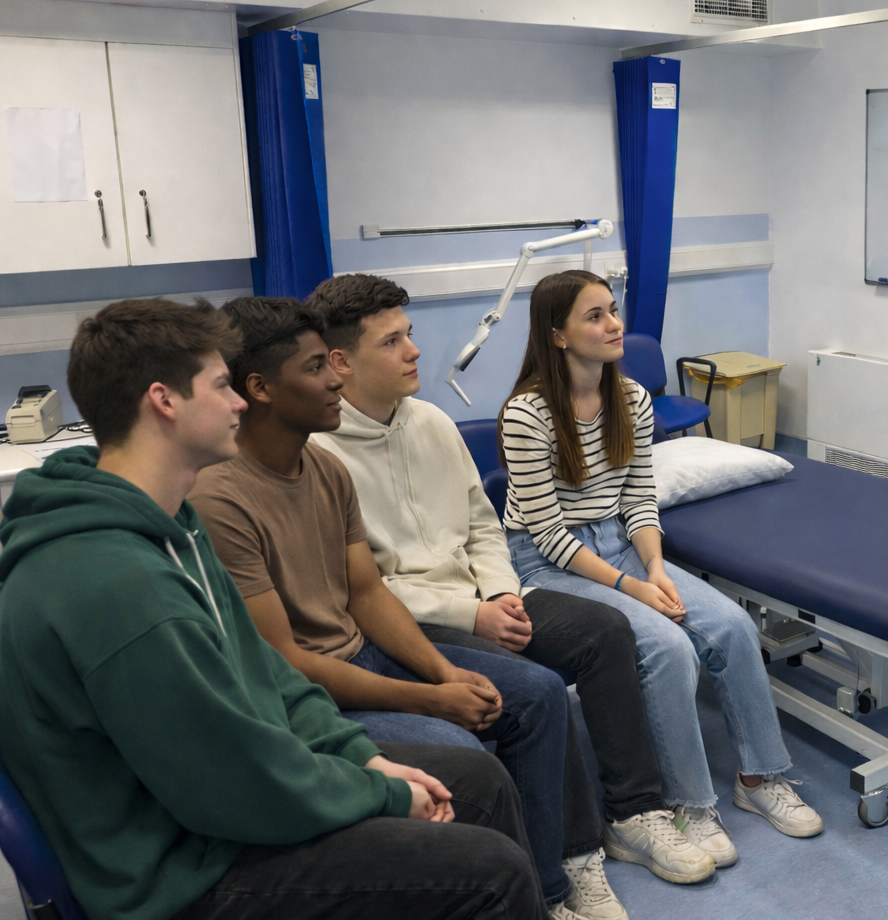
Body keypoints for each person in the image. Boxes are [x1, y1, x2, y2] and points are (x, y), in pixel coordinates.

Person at [0, 298, 544, 920]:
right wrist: (381, 794)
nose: (238, 403)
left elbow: (266, 672)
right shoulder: (115, 585)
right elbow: (227, 783)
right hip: (174, 871)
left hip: (218, 805)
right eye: (221, 386)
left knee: (479, 784)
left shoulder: (170, 523)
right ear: (164, 401)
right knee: (491, 875)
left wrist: (362, 756)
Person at [305, 272, 716, 904]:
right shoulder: (322, 454)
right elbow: (363, 588)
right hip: (415, 619)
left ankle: (634, 815)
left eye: (409, 335)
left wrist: (501, 594)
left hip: (488, 595)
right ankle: (571, 856)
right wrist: (472, 615)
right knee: (538, 689)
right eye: (393, 343)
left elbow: (482, 523)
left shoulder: (433, 423)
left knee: (604, 631)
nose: (415, 351)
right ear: (341, 361)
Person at [187, 296, 599, 920]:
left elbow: (367, 594)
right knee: (462, 754)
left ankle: (546, 891)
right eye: (316, 367)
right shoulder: (221, 500)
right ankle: (500, 891)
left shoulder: (323, 468)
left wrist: (444, 671)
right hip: (312, 692)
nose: (335, 378)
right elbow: (287, 664)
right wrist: (432, 699)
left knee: (537, 694)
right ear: (260, 388)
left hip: (366, 652)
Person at [497, 269, 823, 867]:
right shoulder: (528, 413)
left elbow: (639, 498)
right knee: (667, 647)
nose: (614, 324)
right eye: (594, 315)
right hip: (547, 562)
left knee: (730, 626)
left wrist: (656, 568)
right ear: (558, 334)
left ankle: (760, 779)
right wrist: (633, 589)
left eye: (613, 310)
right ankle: (689, 805)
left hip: (623, 545)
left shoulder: (632, 399)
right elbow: (545, 532)